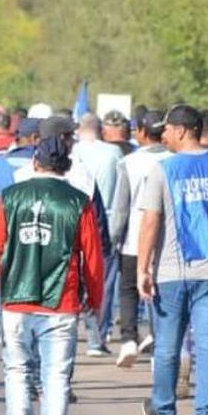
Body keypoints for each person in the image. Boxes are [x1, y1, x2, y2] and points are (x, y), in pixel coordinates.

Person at [0, 131, 105, 415]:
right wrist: (95, 300)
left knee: (16, 373)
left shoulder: (12, 197)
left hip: (16, 300)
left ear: (35, 162)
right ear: (65, 165)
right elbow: (92, 258)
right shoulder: (79, 201)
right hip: (61, 302)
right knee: (56, 378)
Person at [135, 105, 208, 415]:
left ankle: (165, 410)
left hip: (171, 269)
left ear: (183, 131)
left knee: (168, 342)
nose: (163, 135)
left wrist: (143, 267)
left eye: (167, 129)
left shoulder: (163, 169)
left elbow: (150, 221)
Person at [108, 109, 168, 369]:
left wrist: (112, 237)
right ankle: (158, 339)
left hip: (134, 237)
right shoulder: (174, 159)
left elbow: (121, 206)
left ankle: (129, 339)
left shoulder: (129, 162)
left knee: (129, 290)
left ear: (141, 133)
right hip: (166, 241)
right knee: (161, 293)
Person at [73, 112, 125, 358]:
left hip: (74, 221)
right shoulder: (114, 154)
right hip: (107, 221)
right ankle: (98, 336)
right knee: (102, 281)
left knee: (75, 278)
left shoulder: (72, 154)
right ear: (101, 131)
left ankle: (74, 331)